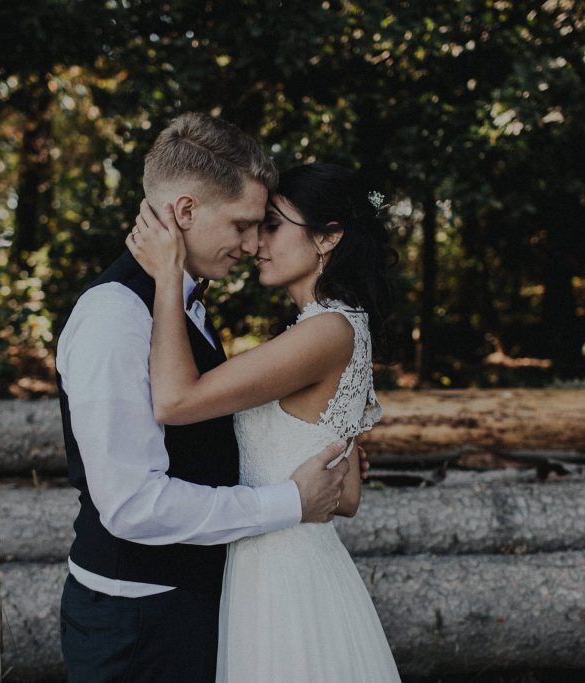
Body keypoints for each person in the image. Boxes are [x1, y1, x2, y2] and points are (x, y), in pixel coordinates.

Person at [55, 113, 356, 682]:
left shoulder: (182, 301)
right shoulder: (113, 316)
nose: (252, 244)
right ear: (186, 212)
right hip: (135, 623)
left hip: (183, 605)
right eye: (243, 224)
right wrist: (288, 501)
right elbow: (132, 506)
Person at [127, 161, 401, 682]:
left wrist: (168, 277)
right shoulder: (341, 326)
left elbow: (176, 401)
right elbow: (346, 497)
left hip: (285, 578)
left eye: (272, 225)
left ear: (327, 239)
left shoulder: (325, 332)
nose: (255, 244)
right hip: (282, 563)